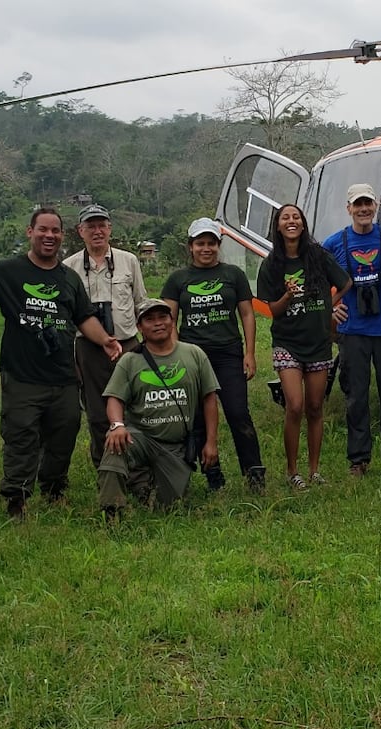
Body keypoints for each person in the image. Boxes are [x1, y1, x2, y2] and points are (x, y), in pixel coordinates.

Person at [0, 207, 121, 518]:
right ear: (29, 232)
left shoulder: (68, 278)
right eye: (42, 229)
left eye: (55, 231)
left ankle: (54, 488)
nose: (49, 236)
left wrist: (104, 340)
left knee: (65, 433)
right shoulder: (6, 271)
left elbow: (83, 316)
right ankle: (16, 498)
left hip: (63, 375)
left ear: (62, 235)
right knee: (21, 436)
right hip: (22, 374)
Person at [161, 217, 267, 494]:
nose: (206, 248)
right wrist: (175, 353)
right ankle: (213, 476)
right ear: (190, 247)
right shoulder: (178, 279)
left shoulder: (233, 275)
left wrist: (250, 353)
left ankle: (254, 474)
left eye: (211, 243)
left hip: (228, 354)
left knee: (238, 413)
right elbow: (168, 319)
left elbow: (247, 314)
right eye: (200, 243)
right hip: (193, 356)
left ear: (218, 245)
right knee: (197, 419)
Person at [97, 299, 220, 522]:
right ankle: (112, 511)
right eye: (150, 319)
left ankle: (143, 483)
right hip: (140, 437)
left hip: (175, 446)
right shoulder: (130, 360)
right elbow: (114, 398)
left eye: (163, 317)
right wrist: (117, 425)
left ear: (172, 321)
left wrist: (211, 442)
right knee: (115, 444)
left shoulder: (194, 354)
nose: (158, 323)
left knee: (170, 509)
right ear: (139, 327)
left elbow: (209, 399)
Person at [256, 203, 351, 490]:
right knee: (295, 405)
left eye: (296, 217)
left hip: (318, 341)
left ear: (303, 223)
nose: (291, 221)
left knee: (315, 406)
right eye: (285, 217)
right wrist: (287, 296)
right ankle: (292, 471)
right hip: (288, 342)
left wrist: (328, 305)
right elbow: (273, 310)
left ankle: (314, 470)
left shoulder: (318, 256)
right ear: (277, 225)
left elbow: (346, 283)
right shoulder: (271, 265)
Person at [322, 184, 381, 477]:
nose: (363, 209)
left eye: (367, 204)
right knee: (356, 397)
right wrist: (330, 308)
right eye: (357, 204)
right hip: (353, 330)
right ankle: (358, 459)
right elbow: (316, 280)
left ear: (376, 206)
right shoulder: (334, 243)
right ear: (348, 209)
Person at [63, 204, 147, 470]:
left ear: (110, 229)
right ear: (80, 231)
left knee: (135, 406)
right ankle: (107, 468)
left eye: (102, 225)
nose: (97, 231)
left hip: (127, 344)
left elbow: (141, 303)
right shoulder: (68, 267)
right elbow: (66, 316)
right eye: (91, 226)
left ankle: (137, 468)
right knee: (97, 412)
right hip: (88, 348)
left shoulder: (129, 260)